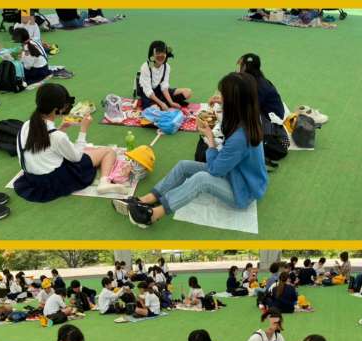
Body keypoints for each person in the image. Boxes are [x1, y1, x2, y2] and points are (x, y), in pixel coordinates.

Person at [113, 72, 267, 228]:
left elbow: (215, 170)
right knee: (184, 166)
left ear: (234, 102)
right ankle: (147, 199)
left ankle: (152, 215)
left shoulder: (239, 138)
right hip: (237, 174)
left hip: (243, 191)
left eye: (223, 95)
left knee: (202, 179)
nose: (220, 98)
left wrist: (210, 140)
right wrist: (218, 105)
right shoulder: (248, 117)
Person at [14, 84, 117, 202]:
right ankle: (104, 182)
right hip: (54, 180)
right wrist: (83, 130)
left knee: (85, 150)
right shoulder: (57, 136)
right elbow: (76, 158)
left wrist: (62, 128)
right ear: (56, 109)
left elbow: (47, 145)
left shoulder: (26, 124)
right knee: (108, 152)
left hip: (31, 178)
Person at [136, 40, 191, 110]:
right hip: (147, 94)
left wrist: (171, 103)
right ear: (152, 55)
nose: (160, 55)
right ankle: (159, 104)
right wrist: (161, 103)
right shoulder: (146, 66)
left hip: (160, 91)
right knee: (155, 109)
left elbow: (164, 87)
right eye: (158, 53)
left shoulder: (166, 67)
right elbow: (148, 91)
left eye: (163, 53)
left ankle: (165, 103)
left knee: (187, 92)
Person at [237, 52, 284, 120]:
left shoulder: (258, 86)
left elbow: (248, 109)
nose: (237, 70)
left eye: (240, 65)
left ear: (244, 67)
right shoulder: (256, 81)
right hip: (268, 117)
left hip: (273, 123)